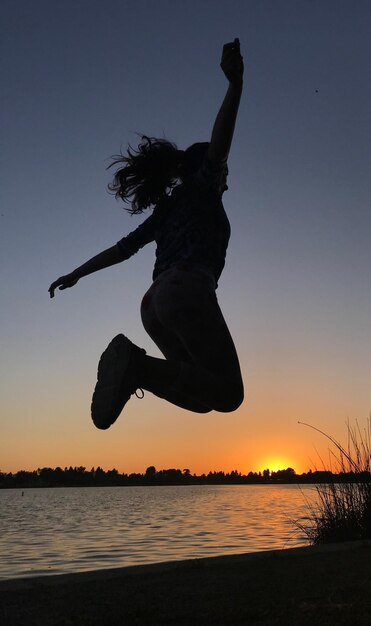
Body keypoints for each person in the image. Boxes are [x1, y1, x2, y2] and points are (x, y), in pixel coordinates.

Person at [49, 39, 245, 429]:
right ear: (209, 170)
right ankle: (137, 366)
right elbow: (220, 145)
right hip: (187, 289)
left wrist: (76, 274)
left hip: (153, 303)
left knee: (201, 397)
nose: (227, 180)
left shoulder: (166, 211)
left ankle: (138, 370)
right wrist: (235, 84)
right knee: (229, 394)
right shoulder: (202, 187)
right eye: (225, 173)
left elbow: (121, 250)